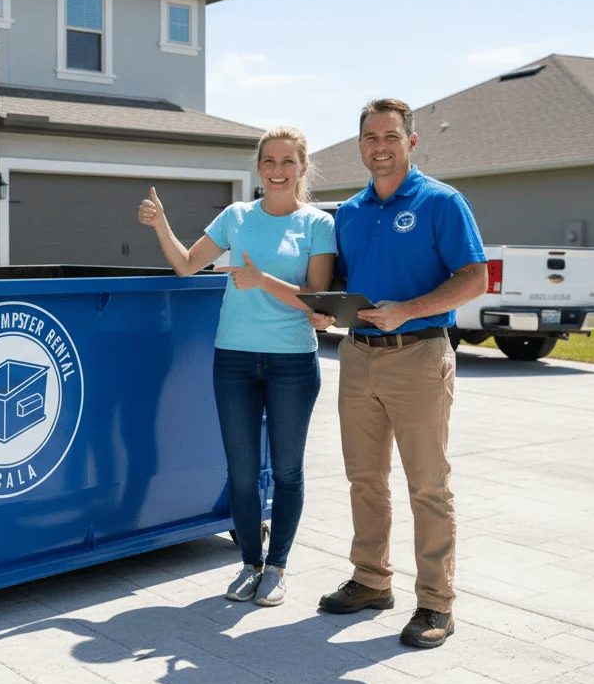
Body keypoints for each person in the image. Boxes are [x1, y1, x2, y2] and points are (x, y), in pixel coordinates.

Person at [311, 98, 487, 649]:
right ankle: (371, 580)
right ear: (360, 145)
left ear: (411, 142)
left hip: (419, 354)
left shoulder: (442, 202)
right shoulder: (352, 211)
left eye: (390, 136)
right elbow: (343, 280)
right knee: (364, 478)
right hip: (358, 355)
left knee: (427, 486)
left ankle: (436, 603)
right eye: (370, 138)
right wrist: (324, 309)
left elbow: (475, 278)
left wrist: (408, 309)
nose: (380, 147)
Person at [138, 126, 335, 607]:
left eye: (288, 162)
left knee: (286, 470)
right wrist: (162, 225)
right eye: (269, 161)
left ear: (303, 168)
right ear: (259, 167)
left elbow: (316, 303)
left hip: (292, 359)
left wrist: (261, 280)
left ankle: (279, 567)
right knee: (242, 472)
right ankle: (250, 564)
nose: (278, 171)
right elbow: (187, 265)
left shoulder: (317, 225)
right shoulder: (236, 216)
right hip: (234, 358)